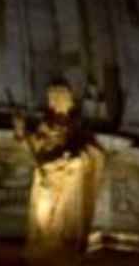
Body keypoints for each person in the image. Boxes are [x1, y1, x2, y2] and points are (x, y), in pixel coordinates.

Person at [13, 83, 106, 258]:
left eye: (58, 98)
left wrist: (76, 159)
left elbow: (95, 153)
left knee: (63, 222)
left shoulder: (76, 130)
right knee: (43, 221)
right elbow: (28, 144)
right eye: (52, 99)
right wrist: (19, 129)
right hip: (45, 180)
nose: (54, 102)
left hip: (67, 182)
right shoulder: (44, 128)